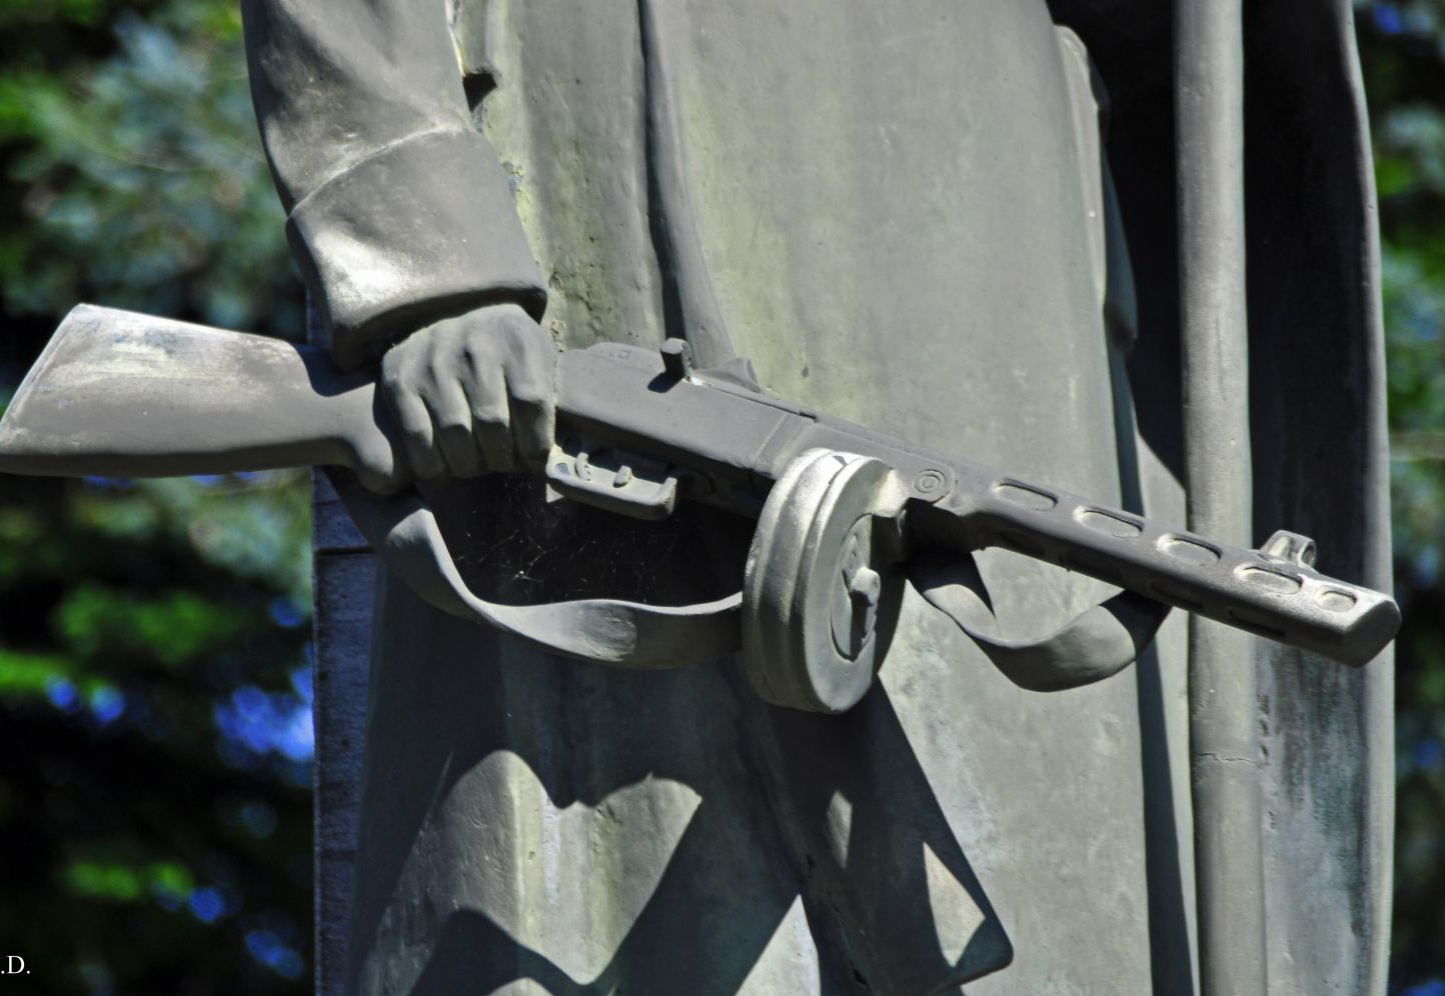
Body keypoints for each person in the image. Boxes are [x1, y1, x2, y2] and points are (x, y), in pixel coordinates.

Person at [242, 0, 1393, 991]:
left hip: (998, 220)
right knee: (585, 861)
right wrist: (423, 246)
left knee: (1050, 894)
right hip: (594, 143)